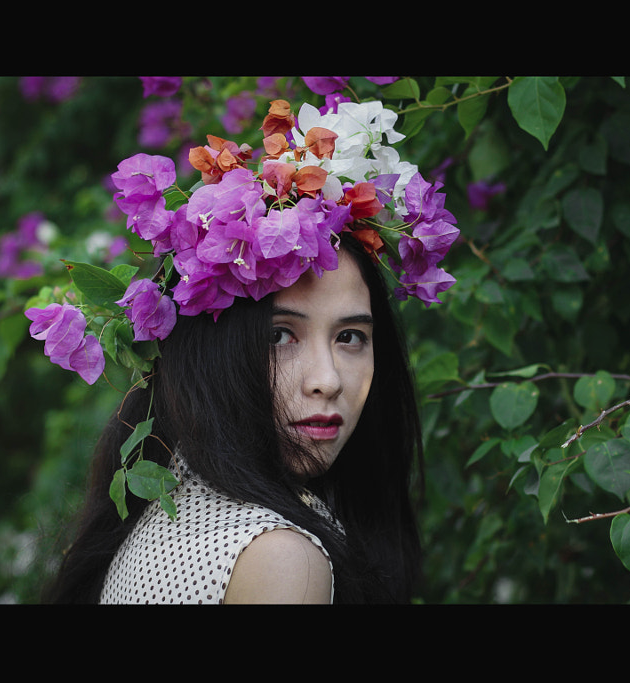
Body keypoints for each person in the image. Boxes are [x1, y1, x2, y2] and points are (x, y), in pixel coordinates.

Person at [36, 97, 457, 604]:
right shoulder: (280, 558)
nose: (327, 380)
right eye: (280, 336)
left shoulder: (169, 511)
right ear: (213, 353)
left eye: (350, 337)